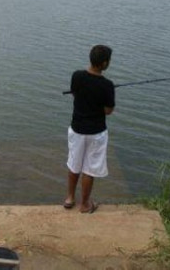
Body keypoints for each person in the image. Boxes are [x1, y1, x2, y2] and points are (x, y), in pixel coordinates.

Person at [64, 45, 115, 214]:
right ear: (104, 63)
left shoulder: (77, 76)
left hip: (77, 129)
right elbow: (108, 110)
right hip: (96, 133)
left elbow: (74, 94)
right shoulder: (108, 85)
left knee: (74, 163)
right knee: (89, 168)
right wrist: (97, 105)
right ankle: (85, 204)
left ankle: (70, 198)